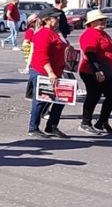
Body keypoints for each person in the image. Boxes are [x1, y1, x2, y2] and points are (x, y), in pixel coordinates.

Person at [25, 8, 69, 138]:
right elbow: (41, 56)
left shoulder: (53, 32)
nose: (58, 20)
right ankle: (33, 128)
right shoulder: (43, 34)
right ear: (47, 20)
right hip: (42, 71)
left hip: (56, 71)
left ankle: (52, 126)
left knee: (61, 99)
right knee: (41, 100)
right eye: (55, 18)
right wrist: (50, 72)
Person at [78, 10, 112, 135]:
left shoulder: (103, 33)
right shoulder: (90, 34)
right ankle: (85, 122)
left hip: (106, 70)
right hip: (91, 70)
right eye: (100, 20)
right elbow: (90, 53)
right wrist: (97, 70)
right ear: (92, 22)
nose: (103, 22)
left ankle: (102, 122)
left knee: (110, 95)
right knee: (94, 96)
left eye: (103, 20)